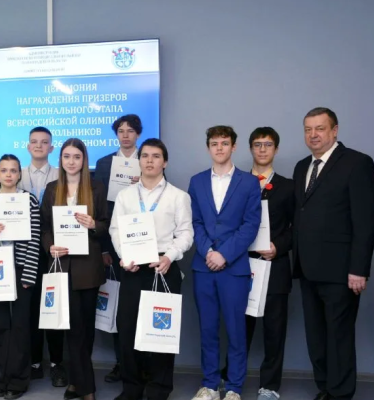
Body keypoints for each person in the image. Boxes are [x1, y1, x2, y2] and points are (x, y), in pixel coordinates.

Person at [292, 108, 374, 400]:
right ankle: (325, 388)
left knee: (338, 336)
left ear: (335, 130)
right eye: (308, 129)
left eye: (319, 128)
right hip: (307, 268)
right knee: (316, 336)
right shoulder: (301, 167)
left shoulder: (357, 163)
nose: (313, 135)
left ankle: (340, 394)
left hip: (342, 271)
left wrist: (359, 269)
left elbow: (366, 221)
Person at [109, 138, 193, 400]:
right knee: (128, 330)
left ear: (164, 162)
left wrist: (169, 257)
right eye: (145, 156)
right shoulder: (125, 196)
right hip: (133, 268)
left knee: (161, 333)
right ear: (139, 161)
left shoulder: (178, 196)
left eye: (156, 156)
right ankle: (132, 388)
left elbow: (186, 234)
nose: (149, 161)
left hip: (163, 269)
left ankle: (159, 389)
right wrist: (124, 256)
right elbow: (115, 230)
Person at [218, 127, 295, 400]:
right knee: (238, 326)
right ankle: (231, 378)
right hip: (241, 264)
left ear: (276, 149)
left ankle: (269, 386)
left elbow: (297, 227)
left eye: (268, 144)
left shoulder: (288, 186)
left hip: (275, 265)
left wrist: (279, 246)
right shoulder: (235, 182)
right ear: (250, 148)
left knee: (274, 329)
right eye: (257, 144)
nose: (262, 149)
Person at [188, 126, 262, 400]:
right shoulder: (196, 182)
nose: (219, 148)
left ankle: (233, 388)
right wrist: (209, 251)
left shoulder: (249, 182)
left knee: (235, 330)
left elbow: (250, 225)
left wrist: (224, 254)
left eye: (224, 143)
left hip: (234, 268)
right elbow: (195, 222)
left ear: (234, 146)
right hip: (203, 266)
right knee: (208, 329)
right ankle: (209, 384)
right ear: (208, 147)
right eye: (214, 143)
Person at [41, 139, 109, 400]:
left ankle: (77, 383)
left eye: (77, 157)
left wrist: (93, 225)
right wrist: (50, 246)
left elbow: (106, 225)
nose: (71, 161)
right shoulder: (52, 189)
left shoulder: (96, 187)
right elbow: (44, 227)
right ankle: (84, 387)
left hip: (88, 269)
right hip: (61, 267)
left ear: (84, 160)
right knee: (70, 328)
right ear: (60, 159)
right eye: (67, 156)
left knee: (85, 329)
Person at [0, 154, 42, 400]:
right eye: (4, 170)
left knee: (21, 326)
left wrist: (29, 274)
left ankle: (19, 380)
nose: (8, 174)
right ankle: (4, 377)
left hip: (23, 269)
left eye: (13, 170)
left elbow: (35, 238)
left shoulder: (29, 200)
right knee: (3, 326)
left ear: (19, 174)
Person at [92, 114, 143, 383]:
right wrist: (103, 249)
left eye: (130, 131)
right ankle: (121, 363)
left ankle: (141, 364)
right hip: (113, 243)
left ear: (138, 134)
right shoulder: (104, 164)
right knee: (117, 304)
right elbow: (99, 210)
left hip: (142, 241)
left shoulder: (148, 160)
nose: (125, 135)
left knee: (138, 305)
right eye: (121, 131)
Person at [18, 126, 66, 386]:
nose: (39, 146)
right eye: (34, 142)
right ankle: (35, 361)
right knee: (31, 307)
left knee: (54, 305)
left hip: (54, 249)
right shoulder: (17, 174)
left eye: (44, 142)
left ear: (51, 147)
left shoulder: (61, 175)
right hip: (26, 251)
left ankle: (57, 363)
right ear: (28, 147)